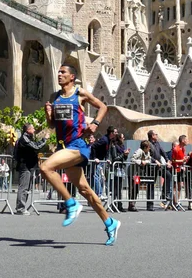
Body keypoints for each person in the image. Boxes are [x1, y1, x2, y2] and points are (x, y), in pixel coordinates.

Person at [41, 64, 120, 246]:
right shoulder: (55, 97)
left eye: (63, 72)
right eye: (58, 72)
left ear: (72, 77)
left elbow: (103, 107)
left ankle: (71, 203)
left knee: (46, 167)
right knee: (85, 190)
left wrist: (95, 124)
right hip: (64, 147)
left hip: (79, 145)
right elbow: (52, 125)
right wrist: (48, 115)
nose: (59, 74)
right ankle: (110, 223)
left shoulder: (80, 93)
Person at [14, 123, 47, 215]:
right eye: (33, 128)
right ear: (28, 130)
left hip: (30, 166)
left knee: (27, 188)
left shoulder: (30, 137)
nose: (34, 130)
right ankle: (20, 208)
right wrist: (45, 139)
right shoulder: (24, 138)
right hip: (25, 166)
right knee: (23, 187)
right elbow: (36, 146)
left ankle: (22, 207)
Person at [91, 125, 117, 200]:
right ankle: (99, 194)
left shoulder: (109, 140)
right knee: (96, 176)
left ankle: (98, 194)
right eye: (115, 132)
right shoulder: (104, 140)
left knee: (101, 177)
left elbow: (106, 151)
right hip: (97, 160)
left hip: (102, 160)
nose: (116, 133)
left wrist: (107, 159)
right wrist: (94, 158)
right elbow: (93, 146)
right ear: (111, 133)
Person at [147, 129, 170, 210]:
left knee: (168, 175)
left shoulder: (157, 143)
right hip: (151, 166)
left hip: (159, 166)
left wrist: (167, 160)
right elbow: (147, 155)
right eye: (156, 134)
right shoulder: (147, 144)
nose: (157, 135)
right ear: (152, 136)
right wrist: (154, 161)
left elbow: (163, 152)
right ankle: (150, 205)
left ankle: (164, 197)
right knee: (151, 184)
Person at [128, 140, 152, 211]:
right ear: (145, 147)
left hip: (138, 173)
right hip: (133, 172)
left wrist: (145, 162)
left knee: (136, 188)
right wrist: (141, 162)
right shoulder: (139, 151)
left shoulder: (147, 153)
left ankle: (133, 204)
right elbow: (132, 159)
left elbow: (149, 160)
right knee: (132, 188)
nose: (149, 149)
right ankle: (131, 204)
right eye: (148, 147)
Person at [109, 133, 129, 213]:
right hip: (115, 168)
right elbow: (114, 158)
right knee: (115, 188)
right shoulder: (114, 146)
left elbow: (124, 158)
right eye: (122, 137)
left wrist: (126, 155)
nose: (123, 139)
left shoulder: (122, 147)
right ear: (119, 138)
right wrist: (123, 155)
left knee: (119, 187)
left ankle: (120, 205)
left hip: (121, 168)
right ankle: (114, 204)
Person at [171, 135, 188, 210]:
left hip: (180, 169)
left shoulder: (183, 148)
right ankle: (175, 202)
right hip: (175, 169)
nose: (187, 141)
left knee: (180, 186)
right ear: (183, 141)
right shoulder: (176, 149)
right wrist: (182, 161)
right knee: (175, 187)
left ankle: (177, 201)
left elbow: (182, 157)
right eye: (186, 140)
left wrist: (185, 158)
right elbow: (173, 160)